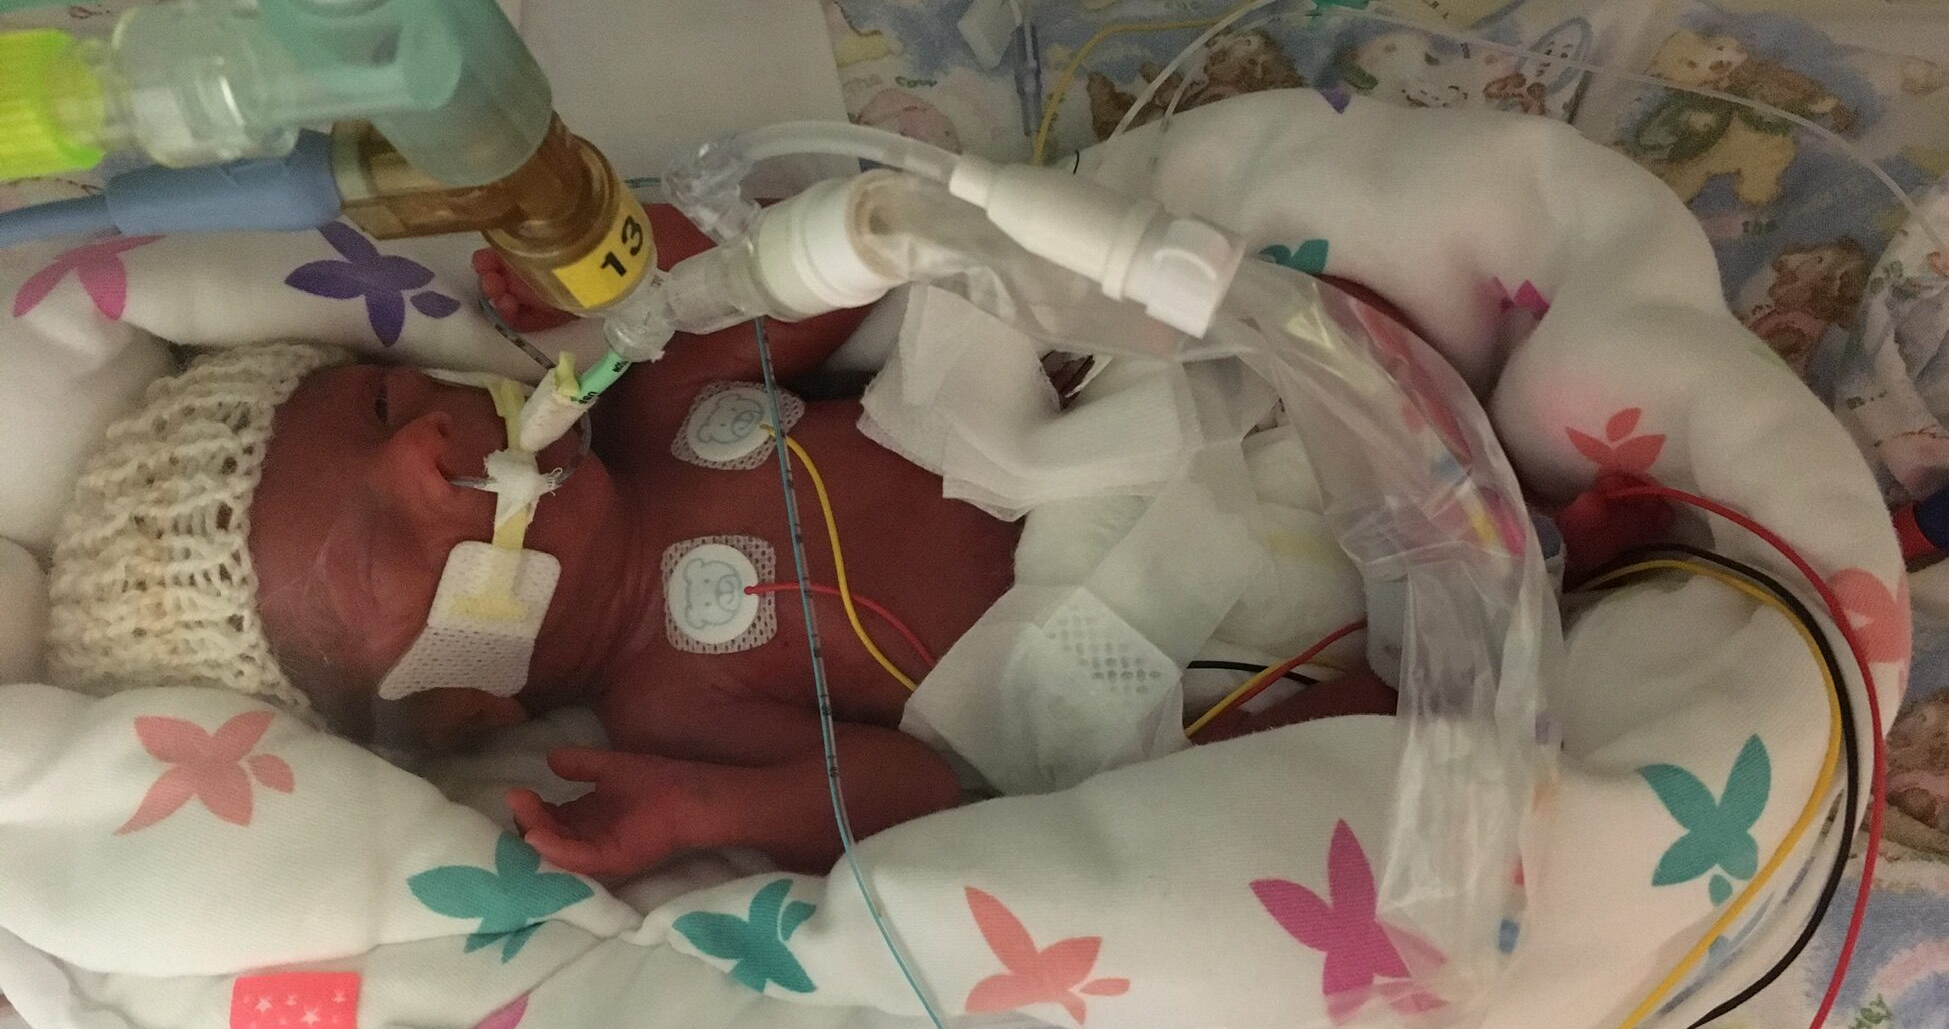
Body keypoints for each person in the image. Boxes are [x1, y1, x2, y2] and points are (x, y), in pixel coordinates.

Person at [45, 206, 1397, 881]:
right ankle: (1428, 673)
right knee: (1296, 783)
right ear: (459, 706)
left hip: (1178, 456)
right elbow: (920, 790)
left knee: (1324, 304)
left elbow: (844, 257)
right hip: (1173, 661)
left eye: (389, 404)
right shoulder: (668, 709)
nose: (421, 450)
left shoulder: (666, 399)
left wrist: (640, 279)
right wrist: (706, 813)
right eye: (375, 543)